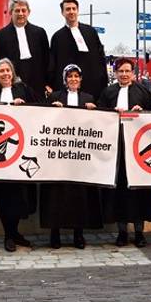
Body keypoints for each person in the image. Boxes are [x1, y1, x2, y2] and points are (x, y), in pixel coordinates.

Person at [97, 58, 151, 247]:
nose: (124, 74)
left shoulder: (142, 91)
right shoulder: (108, 92)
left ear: (133, 73)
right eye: (121, 71)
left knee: (138, 192)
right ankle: (122, 232)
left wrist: (142, 112)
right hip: (116, 150)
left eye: (127, 71)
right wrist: (111, 112)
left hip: (137, 150)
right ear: (116, 73)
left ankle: (139, 232)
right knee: (119, 192)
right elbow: (98, 115)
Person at [42, 64, 104, 249]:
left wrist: (94, 111)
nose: (73, 79)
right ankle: (55, 234)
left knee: (80, 195)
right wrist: (52, 108)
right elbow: (43, 120)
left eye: (77, 76)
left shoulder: (88, 98)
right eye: (70, 76)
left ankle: (79, 234)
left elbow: (96, 125)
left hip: (80, 156)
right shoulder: (55, 97)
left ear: (81, 79)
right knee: (56, 195)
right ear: (65, 79)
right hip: (59, 155)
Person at [0, 58, 37, 251]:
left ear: (13, 73)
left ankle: (15, 232)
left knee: (20, 194)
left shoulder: (23, 89)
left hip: (20, 151)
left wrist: (25, 105)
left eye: (8, 70)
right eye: (1, 71)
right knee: (3, 194)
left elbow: (39, 109)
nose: (5, 74)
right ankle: (8, 235)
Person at [0, 0, 52, 103]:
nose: (21, 13)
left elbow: (47, 60)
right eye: (17, 10)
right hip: (11, 84)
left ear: (28, 12)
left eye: (23, 10)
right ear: (10, 12)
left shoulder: (39, 33)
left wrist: (49, 82)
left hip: (37, 82)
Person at [48, 0, 108, 97]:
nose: (71, 12)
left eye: (74, 9)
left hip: (92, 86)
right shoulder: (57, 37)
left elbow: (101, 57)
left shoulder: (91, 32)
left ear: (77, 11)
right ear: (62, 13)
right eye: (68, 9)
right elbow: (53, 64)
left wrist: (103, 79)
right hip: (67, 89)